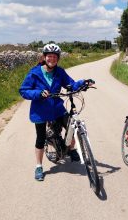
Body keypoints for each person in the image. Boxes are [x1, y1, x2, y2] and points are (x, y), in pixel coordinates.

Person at [19, 43, 87, 181]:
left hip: (57, 108)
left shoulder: (60, 72)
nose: (52, 59)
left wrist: (83, 82)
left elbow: (70, 84)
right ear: (44, 57)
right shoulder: (34, 73)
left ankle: (71, 149)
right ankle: (38, 166)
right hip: (40, 111)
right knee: (40, 138)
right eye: (49, 56)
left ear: (58, 58)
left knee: (71, 126)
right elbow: (24, 91)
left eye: (55, 57)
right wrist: (38, 93)